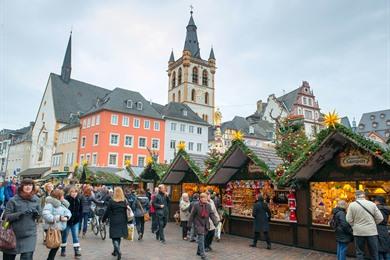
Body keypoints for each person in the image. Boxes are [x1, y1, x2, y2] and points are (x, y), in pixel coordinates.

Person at [2, 178, 41, 260]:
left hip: (30, 234)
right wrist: (20, 213)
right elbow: (6, 216)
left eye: (30, 185)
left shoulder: (36, 200)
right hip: (12, 235)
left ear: (33, 187)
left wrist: (36, 214)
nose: (28, 187)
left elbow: (40, 216)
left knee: (27, 257)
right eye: (26, 185)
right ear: (21, 186)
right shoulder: (13, 200)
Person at [346, 190, 383, 260]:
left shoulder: (352, 205)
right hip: (371, 232)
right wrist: (373, 224)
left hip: (358, 232)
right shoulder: (372, 204)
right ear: (364, 196)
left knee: (360, 253)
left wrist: (354, 225)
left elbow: (348, 219)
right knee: (374, 253)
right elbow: (380, 218)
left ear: (355, 196)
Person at [188, 192, 219, 260]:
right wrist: (189, 224)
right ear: (201, 198)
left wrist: (216, 222)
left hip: (205, 224)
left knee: (202, 238)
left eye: (206, 198)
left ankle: (198, 251)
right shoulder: (196, 205)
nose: (206, 199)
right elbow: (192, 215)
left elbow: (211, 214)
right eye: (204, 198)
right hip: (198, 224)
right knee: (201, 238)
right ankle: (203, 254)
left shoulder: (208, 206)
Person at [42, 189, 71, 260]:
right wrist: (59, 218)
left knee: (56, 245)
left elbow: (67, 211)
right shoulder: (50, 204)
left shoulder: (61, 204)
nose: (63, 197)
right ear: (58, 196)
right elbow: (46, 215)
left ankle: (50, 258)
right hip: (53, 228)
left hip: (59, 227)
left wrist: (67, 216)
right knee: (55, 245)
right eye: (62, 195)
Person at [102, 187, 128, 260]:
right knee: (118, 236)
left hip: (114, 220)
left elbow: (107, 212)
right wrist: (127, 221)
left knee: (114, 237)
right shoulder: (124, 201)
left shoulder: (111, 201)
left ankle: (118, 250)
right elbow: (125, 212)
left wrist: (103, 219)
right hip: (122, 220)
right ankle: (115, 251)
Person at [61, 187, 82, 258]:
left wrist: (79, 217)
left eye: (75, 192)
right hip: (67, 221)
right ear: (70, 193)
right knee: (64, 236)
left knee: (75, 236)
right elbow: (62, 210)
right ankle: (63, 249)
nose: (74, 193)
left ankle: (76, 252)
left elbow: (81, 209)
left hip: (75, 221)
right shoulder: (66, 199)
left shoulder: (79, 199)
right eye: (72, 192)